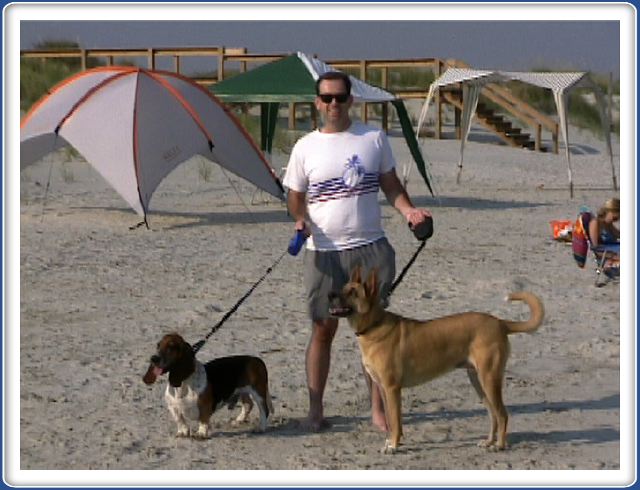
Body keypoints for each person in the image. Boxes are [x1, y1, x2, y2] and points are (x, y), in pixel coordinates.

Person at [282, 71, 432, 432]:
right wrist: (299, 219)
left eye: (340, 97)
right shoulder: (305, 146)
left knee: (374, 330)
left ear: (351, 100)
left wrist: (410, 211)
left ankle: (377, 410)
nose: (334, 104)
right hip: (324, 251)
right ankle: (316, 410)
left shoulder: (373, 138)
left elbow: (391, 185)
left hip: (369, 248)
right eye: (327, 98)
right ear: (317, 103)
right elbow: (294, 197)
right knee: (322, 329)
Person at [588, 197, 620, 271]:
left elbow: (619, 235)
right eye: (615, 218)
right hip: (606, 258)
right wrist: (615, 256)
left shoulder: (607, 224)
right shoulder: (595, 223)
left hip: (613, 252)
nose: (616, 221)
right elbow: (596, 249)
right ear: (608, 211)